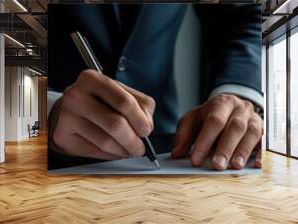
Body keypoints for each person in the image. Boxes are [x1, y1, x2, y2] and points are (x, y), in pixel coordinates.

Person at [47, 4, 263, 170]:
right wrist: (48, 108)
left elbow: (239, 18)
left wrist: (236, 93)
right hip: (44, 162)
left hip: (162, 140)